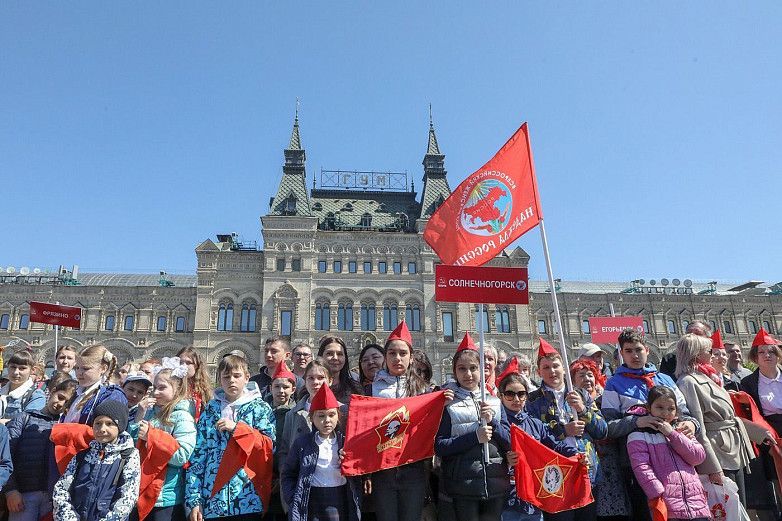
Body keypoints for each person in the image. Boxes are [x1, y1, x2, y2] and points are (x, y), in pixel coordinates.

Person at [600, 328, 698, 521]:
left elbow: (687, 415)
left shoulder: (665, 379)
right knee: (648, 513)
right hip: (638, 464)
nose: (635, 355)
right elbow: (608, 427)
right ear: (621, 353)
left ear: (646, 349)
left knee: (678, 512)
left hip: (674, 459)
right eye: (628, 351)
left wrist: (692, 425)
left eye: (638, 349)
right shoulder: (613, 384)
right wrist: (637, 421)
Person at [675, 333, 774, 506]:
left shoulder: (709, 378)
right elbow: (699, 429)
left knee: (739, 504)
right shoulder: (688, 382)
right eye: (708, 351)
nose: (713, 355)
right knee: (727, 509)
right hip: (718, 454)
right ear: (696, 354)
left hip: (732, 449)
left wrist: (760, 434)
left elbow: (730, 418)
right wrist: (712, 468)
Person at [184, 354, 276, 521]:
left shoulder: (260, 408)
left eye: (237, 376)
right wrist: (195, 500)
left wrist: (238, 429)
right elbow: (197, 457)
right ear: (219, 379)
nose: (231, 380)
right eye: (226, 376)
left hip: (248, 499)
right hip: (212, 500)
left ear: (247, 377)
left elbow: (268, 447)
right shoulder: (210, 410)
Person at [526, 340, 607, 521]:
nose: (552, 371)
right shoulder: (532, 401)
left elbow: (602, 431)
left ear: (564, 368)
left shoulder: (581, 394)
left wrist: (582, 410)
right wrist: (564, 431)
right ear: (538, 372)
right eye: (546, 367)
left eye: (555, 366)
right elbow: (534, 438)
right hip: (555, 476)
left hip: (586, 470)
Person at [435, 336, 510, 521]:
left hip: (495, 484)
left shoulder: (494, 401)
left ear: (482, 370)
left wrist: (493, 422)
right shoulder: (448, 404)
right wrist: (474, 437)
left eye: (473, 368)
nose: (468, 374)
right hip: (463, 485)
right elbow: (440, 446)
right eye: (462, 369)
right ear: (454, 372)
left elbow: (509, 440)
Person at [368, 321, 431, 521]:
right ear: (385, 357)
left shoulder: (423, 390)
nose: (397, 358)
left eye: (403, 353)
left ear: (411, 358)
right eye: (392, 353)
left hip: (413, 469)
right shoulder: (372, 389)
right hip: (383, 469)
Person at [498, 365, 576, 521]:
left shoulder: (536, 424)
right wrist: (505, 461)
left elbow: (556, 447)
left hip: (533, 498)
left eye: (521, 394)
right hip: (506, 500)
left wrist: (576, 454)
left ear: (527, 396)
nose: (516, 399)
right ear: (501, 396)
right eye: (509, 394)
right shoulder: (496, 424)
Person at [626, 386, 710, 521]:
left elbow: (698, 457)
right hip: (665, 503)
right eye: (659, 407)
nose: (665, 413)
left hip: (696, 503)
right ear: (649, 408)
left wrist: (672, 434)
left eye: (671, 408)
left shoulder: (682, 430)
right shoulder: (639, 435)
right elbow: (641, 467)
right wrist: (657, 492)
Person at [281, 382, 361, 521]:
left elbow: (359, 471)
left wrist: (350, 461)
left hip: (340, 498)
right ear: (312, 418)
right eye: (321, 416)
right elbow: (288, 474)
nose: (327, 421)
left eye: (331, 415)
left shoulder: (346, 443)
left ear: (338, 416)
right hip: (311, 501)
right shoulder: (302, 444)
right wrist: (294, 498)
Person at [53, 399, 141, 521]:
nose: (102, 429)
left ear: (120, 426)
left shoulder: (128, 456)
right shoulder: (82, 456)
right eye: (98, 423)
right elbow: (61, 489)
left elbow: (128, 496)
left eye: (109, 424)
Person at [133, 359, 196, 521]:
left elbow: (181, 456)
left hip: (165, 496)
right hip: (140, 491)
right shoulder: (150, 413)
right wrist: (139, 415)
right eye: (154, 388)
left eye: (162, 388)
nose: (155, 393)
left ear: (177, 389)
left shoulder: (183, 416)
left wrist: (151, 436)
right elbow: (132, 448)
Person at [5, 379, 77, 521]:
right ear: (53, 391)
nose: (60, 404)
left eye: (67, 403)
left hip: (52, 500)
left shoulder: (65, 427)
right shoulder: (24, 418)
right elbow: (5, 456)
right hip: (23, 496)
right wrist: (10, 490)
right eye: (60, 397)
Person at [278, 359, 332, 471]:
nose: (316, 382)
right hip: (299, 479)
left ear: (330, 381)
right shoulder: (292, 414)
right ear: (305, 381)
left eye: (321, 378)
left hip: (330, 480)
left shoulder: (342, 411)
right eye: (311, 378)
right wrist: (286, 477)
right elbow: (285, 451)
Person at [63, 345, 128, 425]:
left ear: (103, 368)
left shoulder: (112, 395)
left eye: (86, 368)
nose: (79, 373)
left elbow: (107, 431)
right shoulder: (78, 392)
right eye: (77, 368)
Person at [266, 363, 297, 521]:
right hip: (264, 479)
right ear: (271, 388)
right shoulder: (261, 412)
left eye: (286, 387)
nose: (281, 391)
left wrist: (282, 477)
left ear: (293, 389)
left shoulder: (298, 414)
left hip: (288, 480)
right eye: (277, 386)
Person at [740, 328, 782, 436]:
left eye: (771, 352)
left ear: (778, 356)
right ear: (755, 358)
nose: (767, 355)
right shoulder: (748, 383)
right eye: (762, 352)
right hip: (770, 433)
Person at [0, 349, 47, 421]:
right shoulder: (2, 392)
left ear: (32, 370)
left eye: (22, 368)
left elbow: (27, 424)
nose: (16, 372)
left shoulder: (35, 396)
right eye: (13, 367)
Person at [317, 336, 362, 403]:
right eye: (329, 353)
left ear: (345, 358)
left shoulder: (356, 389)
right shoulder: (310, 385)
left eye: (339, 354)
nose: (335, 358)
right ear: (321, 356)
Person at [176, 347, 213, 421]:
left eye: (188, 363)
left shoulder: (205, 391)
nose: (183, 366)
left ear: (197, 366)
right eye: (180, 362)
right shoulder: (170, 388)